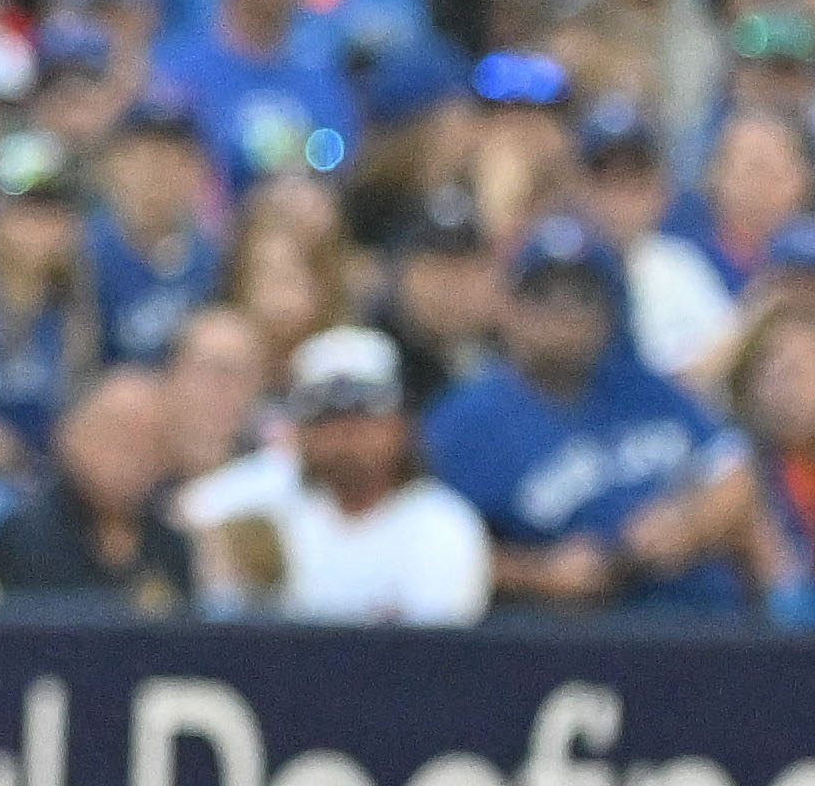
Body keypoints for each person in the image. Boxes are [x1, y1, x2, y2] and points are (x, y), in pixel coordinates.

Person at [421, 217, 758, 614]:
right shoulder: (463, 420)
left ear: (610, 310)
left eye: (582, 297)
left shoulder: (645, 386)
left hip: (698, 627)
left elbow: (735, 472)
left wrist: (689, 523)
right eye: (543, 296)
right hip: (558, 643)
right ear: (510, 307)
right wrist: (538, 573)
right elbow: (424, 547)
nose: (563, 315)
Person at [187, 326, 491, 625]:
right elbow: (188, 511)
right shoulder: (266, 499)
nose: (346, 435)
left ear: (400, 425)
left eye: (364, 416)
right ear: (301, 431)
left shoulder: (443, 524)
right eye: (327, 418)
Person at [0, 363, 195, 612]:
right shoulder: (23, 538)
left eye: (153, 439)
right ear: (71, 431)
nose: (134, 454)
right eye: (120, 433)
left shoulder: (171, 548)